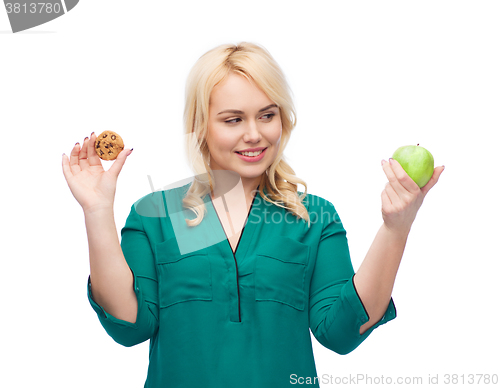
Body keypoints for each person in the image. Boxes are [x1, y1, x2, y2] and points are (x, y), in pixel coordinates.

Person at [61, 41, 444, 388]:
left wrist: (396, 228)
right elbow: (129, 326)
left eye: (266, 115)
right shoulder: (156, 216)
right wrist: (97, 212)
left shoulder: (313, 218)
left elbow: (342, 334)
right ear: (200, 127)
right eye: (233, 120)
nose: (255, 134)